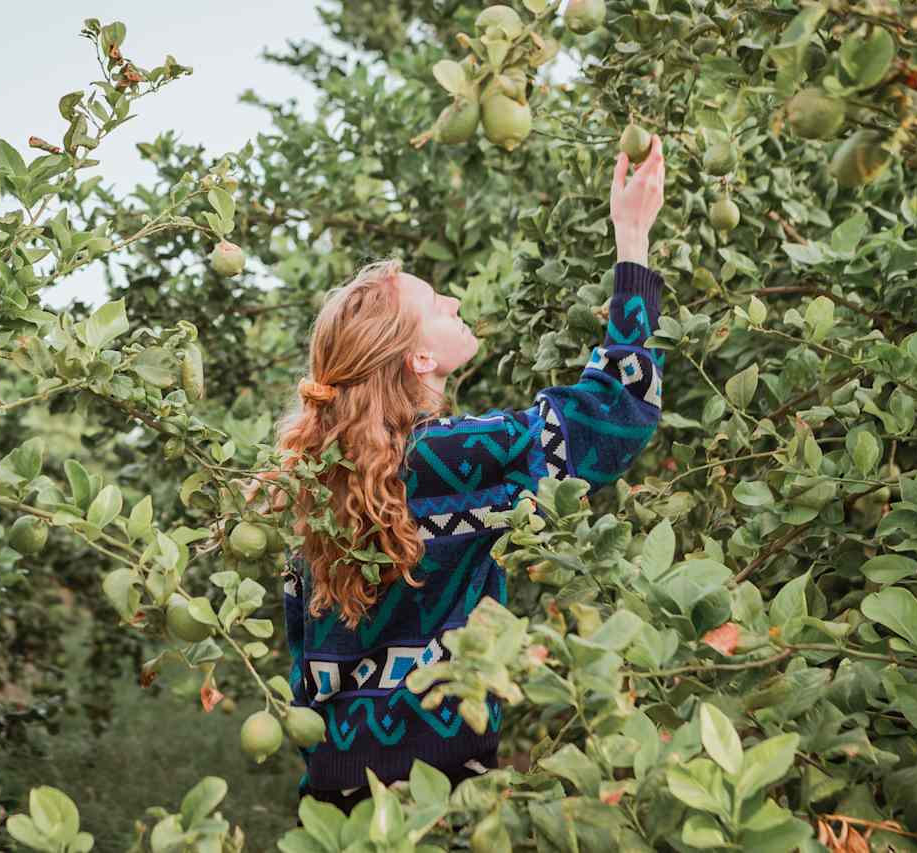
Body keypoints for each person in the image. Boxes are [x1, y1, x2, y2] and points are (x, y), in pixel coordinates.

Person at [264, 135, 667, 816]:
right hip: (442, 791)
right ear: (419, 359)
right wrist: (632, 241)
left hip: (331, 799)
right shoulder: (449, 457)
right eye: (434, 302)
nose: (452, 298)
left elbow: (306, 663)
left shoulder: (313, 486)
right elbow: (614, 411)